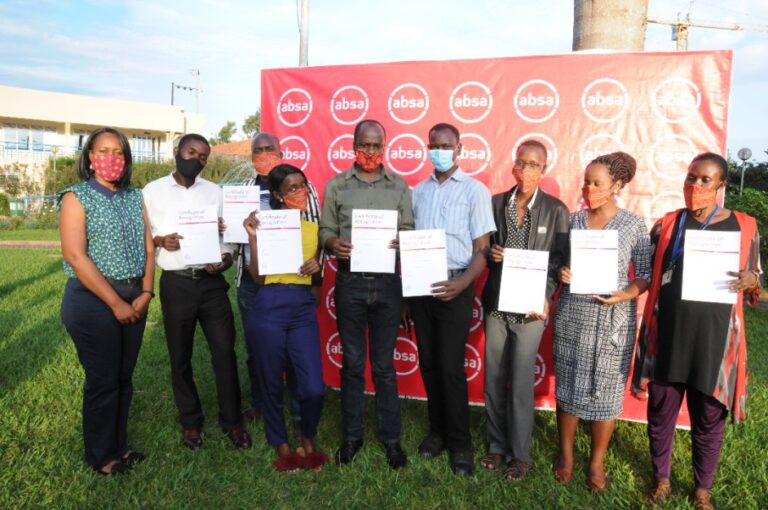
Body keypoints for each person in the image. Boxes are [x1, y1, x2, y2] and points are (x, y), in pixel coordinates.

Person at [633, 153, 762, 510]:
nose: (696, 186)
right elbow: (648, 271)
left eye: (706, 180)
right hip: (669, 335)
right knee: (661, 412)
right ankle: (661, 478)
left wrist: (752, 279)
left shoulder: (745, 226)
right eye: (692, 178)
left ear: (721, 185)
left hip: (715, 342)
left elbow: (756, 277)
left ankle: (702, 488)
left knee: (709, 417)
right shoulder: (668, 224)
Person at [143, 133, 251, 450]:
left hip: (211, 284)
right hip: (176, 282)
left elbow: (227, 239)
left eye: (204, 156)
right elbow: (144, 237)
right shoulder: (152, 191)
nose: (198, 159)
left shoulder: (215, 192)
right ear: (177, 151)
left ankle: (232, 421)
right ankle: (191, 423)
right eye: (192, 152)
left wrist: (227, 258)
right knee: (180, 357)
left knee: (224, 352)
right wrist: (162, 241)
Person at [552, 151, 651, 491]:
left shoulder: (633, 225)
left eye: (597, 183)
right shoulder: (573, 220)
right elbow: (559, 263)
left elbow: (646, 276)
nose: (588, 188)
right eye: (586, 181)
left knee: (607, 392)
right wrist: (563, 272)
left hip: (613, 319)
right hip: (572, 315)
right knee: (567, 386)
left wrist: (624, 294)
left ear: (617, 185)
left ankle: (596, 462)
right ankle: (565, 455)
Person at [59, 126, 155, 475]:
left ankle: (120, 445)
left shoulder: (135, 197)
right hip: (93, 300)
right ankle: (101, 456)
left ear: (126, 159)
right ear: (89, 157)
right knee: (103, 380)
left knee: (123, 377)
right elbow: (75, 255)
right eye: (103, 151)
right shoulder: (76, 196)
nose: (110, 159)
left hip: (135, 295)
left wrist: (146, 292)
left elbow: (148, 246)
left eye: (118, 152)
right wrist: (116, 303)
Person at [319, 119, 413, 469]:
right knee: (354, 363)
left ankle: (391, 440)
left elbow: (409, 231)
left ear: (385, 146)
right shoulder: (336, 186)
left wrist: (401, 240)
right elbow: (326, 229)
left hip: (388, 284)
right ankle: (351, 437)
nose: (370, 152)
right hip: (350, 283)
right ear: (353, 144)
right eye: (365, 144)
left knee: (385, 366)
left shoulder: (400, 187)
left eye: (377, 145)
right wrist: (331, 243)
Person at [479, 139, 569, 481]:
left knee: (519, 382)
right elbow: (483, 248)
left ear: (543, 170)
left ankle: (520, 455)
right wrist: (492, 255)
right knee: (493, 378)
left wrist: (545, 294)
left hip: (530, 308)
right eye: (522, 162)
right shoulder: (497, 203)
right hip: (497, 305)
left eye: (535, 164)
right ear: (514, 165)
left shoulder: (556, 210)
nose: (527, 169)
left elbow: (559, 261)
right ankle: (496, 446)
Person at [410, 122, 496, 477]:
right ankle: (437, 432)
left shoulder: (475, 191)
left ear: (459, 149)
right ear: (428, 148)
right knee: (428, 364)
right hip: (420, 287)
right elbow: (410, 243)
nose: (439, 151)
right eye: (434, 145)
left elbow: (483, 249)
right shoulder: (417, 192)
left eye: (446, 145)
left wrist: (461, 284)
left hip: (455, 286)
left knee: (450, 368)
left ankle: (460, 444)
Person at [232, 132, 321, 440]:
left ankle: (297, 411)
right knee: (257, 353)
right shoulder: (240, 190)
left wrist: (314, 281)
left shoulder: (305, 196)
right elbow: (232, 240)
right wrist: (226, 228)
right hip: (253, 280)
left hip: (296, 283)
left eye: (270, 148)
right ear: (251, 154)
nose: (265, 153)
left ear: (280, 151)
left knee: (296, 356)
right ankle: (261, 405)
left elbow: (315, 238)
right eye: (259, 150)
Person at [242, 164, 328, 471]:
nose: (300, 192)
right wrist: (253, 237)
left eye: (303, 185)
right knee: (271, 382)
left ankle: (307, 434)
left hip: (302, 308)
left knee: (313, 386)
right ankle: (280, 441)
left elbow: (317, 278)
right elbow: (258, 278)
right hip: (269, 305)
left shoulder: (314, 230)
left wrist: (318, 269)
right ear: (278, 195)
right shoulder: (265, 226)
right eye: (292, 189)